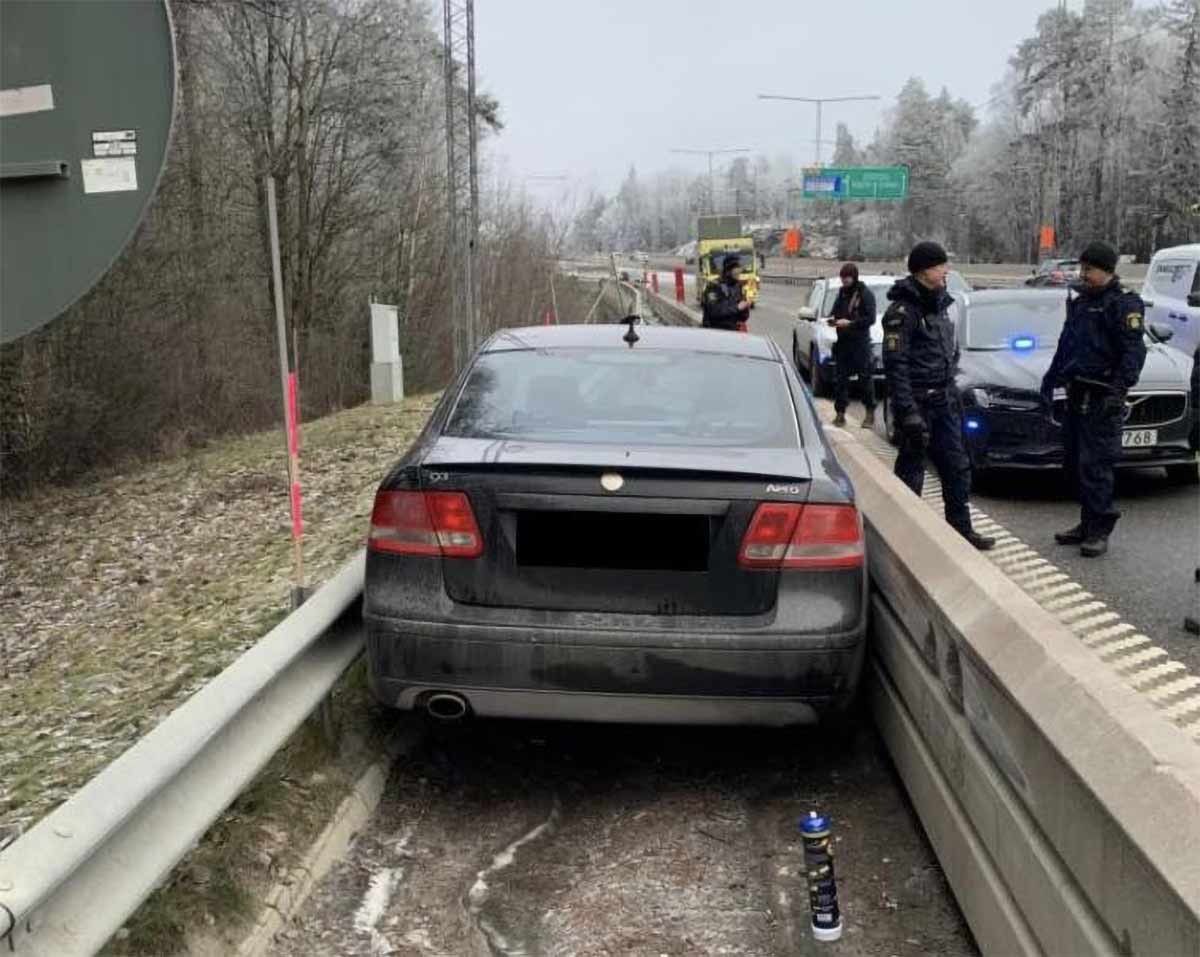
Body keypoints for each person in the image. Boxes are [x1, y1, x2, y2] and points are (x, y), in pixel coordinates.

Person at [882, 241, 995, 551]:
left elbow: (949, 352)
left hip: (944, 401)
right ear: (924, 270)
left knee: (957, 466)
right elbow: (896, 366)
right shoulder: (902, 313)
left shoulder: (942, 305)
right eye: (940, 266)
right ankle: (904, 538)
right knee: (911, 472)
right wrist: (907, 412)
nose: (946, 271)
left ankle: (960, 531)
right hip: (917, 403)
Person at [1040, 241, 1147, 557]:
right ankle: (1087, 522)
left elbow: (1133, 353)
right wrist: (1049, 380)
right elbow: (1066, 343)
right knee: (1073, 463)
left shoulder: (1123, 304)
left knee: (1096, 466)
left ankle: (1100, 528)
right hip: (1077, 393)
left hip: (1103, 397)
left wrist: (1119, 391)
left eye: (1090, 269)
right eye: (1082, 268)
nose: (1083, 274)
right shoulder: (1081, 301)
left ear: (1107, 271)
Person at [829, 263, 878, 428]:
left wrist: (850, 323)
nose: (844, 281)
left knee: (865, 379)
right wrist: (833, 321)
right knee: (841, 380)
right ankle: (840, 414)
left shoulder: (865, 294)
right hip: (843, 344)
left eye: (847, 278)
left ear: (854, 277)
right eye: (842, 278)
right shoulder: (842, 294)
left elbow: (870, 319)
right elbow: (834, 313)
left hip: (860, 344)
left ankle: (870, 414)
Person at [701, 254, 750, 331]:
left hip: (733, 331)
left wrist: (745, 309)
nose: (739, 272)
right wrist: (737, 308)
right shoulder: (713, 286)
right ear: (727, 271)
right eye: (736, 270)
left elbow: (742, 316)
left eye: (739, 269)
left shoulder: (737, 286)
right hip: (716, 333)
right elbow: (713, 311)